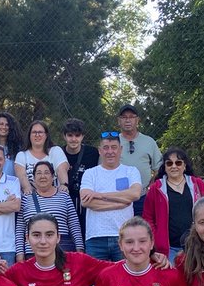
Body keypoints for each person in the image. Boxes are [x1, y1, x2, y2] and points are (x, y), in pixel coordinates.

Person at [79, 132, 141, 261]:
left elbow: (135, 194)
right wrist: (120, 203)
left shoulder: (131, 171)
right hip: (96, 237)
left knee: (124, 279)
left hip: (125, 236)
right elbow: (86, 202)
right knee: (96, 280)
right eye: (106, 148)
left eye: (114, 147)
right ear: (100, 151)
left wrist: (99, 195)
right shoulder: (90, 173)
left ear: (120, 149)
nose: (110, 151)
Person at [142, 148, 204, 259]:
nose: (174, 166)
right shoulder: (156, 188)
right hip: (169, 249)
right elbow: (148, 218)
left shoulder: (197, 184)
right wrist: (157, 239)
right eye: (169, 163)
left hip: (196, 246)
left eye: (178, 163)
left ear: (184, 166)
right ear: (164, 167)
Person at [15, 161, 83, 258]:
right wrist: (20, 255)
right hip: (33, 252)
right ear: (34, 178)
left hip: (61, 250)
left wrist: (79, 249)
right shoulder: (26, 198)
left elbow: (74, 224)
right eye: (38, 173)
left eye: (46, 173)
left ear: (53, 176)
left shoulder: (64, 196)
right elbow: (20, 229)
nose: (43, 176)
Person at [115, 105, 161, 216]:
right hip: (117, 197)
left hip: (142, 197)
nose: (127, 120)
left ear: (137, 120)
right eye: (124, 117)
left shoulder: (149, 142)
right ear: (119, 121)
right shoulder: (113, 142)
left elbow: (160, 167)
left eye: (131, 117)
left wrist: (151, 185)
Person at [62, 119, 99, 233]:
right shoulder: (58, 152)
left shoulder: (92, 153)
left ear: (82, 136)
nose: (74, 139)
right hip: (65, 200)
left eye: (77, 135)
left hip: (86, 201)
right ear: (64, 136)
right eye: (70, 135)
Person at [13, 119, 68, 194]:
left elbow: (61, 169)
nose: (37, 135)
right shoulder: (22, 155)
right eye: (34, 132)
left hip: (54, 196)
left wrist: (64, 185)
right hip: (31, 196)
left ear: (46, 135)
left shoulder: (56, 151)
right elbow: (22, 176)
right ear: (29, 135)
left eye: (40, 132)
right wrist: (28, 189)